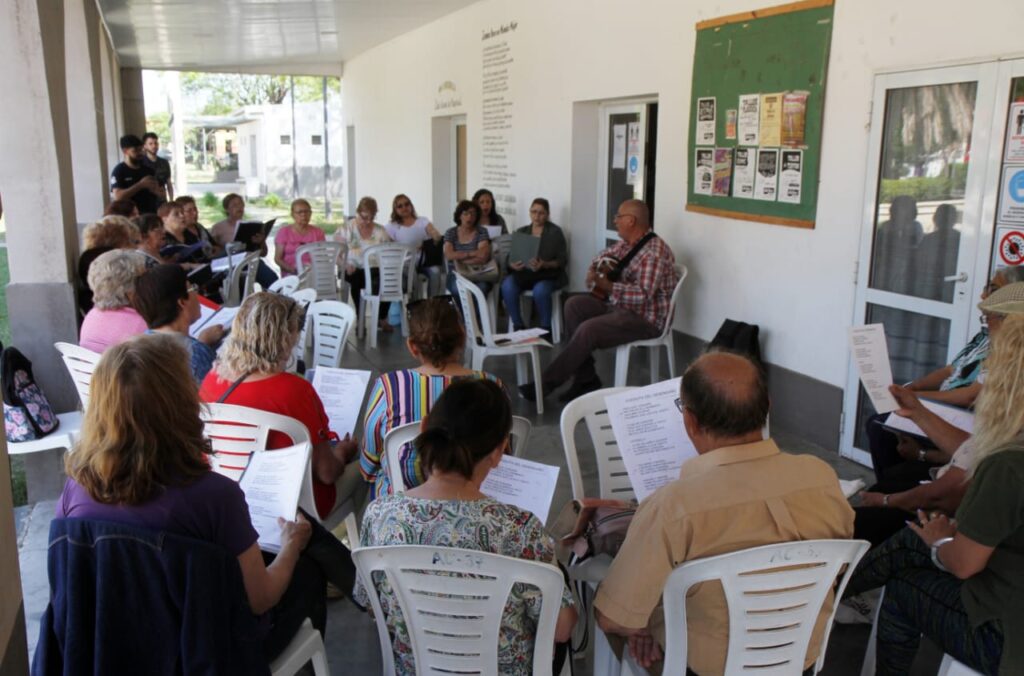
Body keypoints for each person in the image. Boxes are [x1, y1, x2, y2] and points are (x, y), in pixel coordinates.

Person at [57, 335, 356, 662]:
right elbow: (261, 598)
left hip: (111, 649)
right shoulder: (213, 496)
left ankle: (364, 589)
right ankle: (365, 595)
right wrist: (291, 545)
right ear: (182, 403)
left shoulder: (75, 490)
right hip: (206, 653)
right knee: (307, 568)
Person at [594, 351, 854, 674]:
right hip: (800, 659)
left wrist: (649, 625)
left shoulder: (673, 507)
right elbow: (836, 566)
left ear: (689, 421)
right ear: (767, 407)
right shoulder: (821, 478)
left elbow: (612, 618)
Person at [354, 379, 577, 675]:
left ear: (424, 429)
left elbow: (371, 604)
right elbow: (561, 629)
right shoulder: (520, 529)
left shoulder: (380, 515)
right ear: (499, 452)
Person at [842, 313, 1024, 675]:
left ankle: (826, 595)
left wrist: (940, 541)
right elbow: (974, 452)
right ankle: (833, 591)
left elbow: (964, 563)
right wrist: (920, 413)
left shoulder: (1009, 466)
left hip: (1007, 634)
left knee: (904, 582)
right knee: (911, 540)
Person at [199, 292, 361, 520]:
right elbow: (327, 473)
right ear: (286, 338)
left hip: (232, 505)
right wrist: (343, 452)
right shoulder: (294, 390)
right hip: (295, 509)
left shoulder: (211, 381)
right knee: (366, 470)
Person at [865, 269, 1024, 491]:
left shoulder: (1009, 346)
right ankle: (897, 488)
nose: (983, 297)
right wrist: (914, 386)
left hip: (963, 413)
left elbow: (971, 395)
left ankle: (897, 492)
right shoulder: (984, 335)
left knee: (880, 424)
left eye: (993, 290)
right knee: (885, 424)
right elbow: (951, 369)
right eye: (987, 288)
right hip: (945, 406)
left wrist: (915, 398)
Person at [522, 199, 678, 403]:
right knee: (573, 305)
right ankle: (586, 379)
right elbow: (604, 255)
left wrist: (610, 287)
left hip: (646, 319)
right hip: (621, 307)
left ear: (631, 220)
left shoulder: (654, 253)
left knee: (588, 329)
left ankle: (545, 384)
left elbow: (643, 295)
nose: (615, 221)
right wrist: (592, 269)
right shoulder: (630, 243)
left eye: (619, 217)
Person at [360, 297, 503, 497]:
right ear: (462, 337)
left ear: (412, 346)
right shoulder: (490, 387)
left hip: (400, 507)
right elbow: (502, 456)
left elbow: (370, 461)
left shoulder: (388, 386)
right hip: (472, 501)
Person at [133, 264, 223, 382]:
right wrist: (202, 350)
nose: (197, 294)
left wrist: (202, 344)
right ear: (182, 302)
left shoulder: (136, 349)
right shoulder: (196, 354)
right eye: (192, 289)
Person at [500, 198, 568, 339]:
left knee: (541, 290)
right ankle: (518, 325)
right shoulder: (522, 231)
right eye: (534, 212)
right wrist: (512, 264)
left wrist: (545, 264)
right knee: (507, 286)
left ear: (547, 214)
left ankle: (545, 328)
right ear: (530, 213)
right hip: (524, 274)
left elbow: (562, 261)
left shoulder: (555, 232)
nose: (537, 216)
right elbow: (510, 257)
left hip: (547, 274)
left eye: (541, 213)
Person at [334, 196, 393, 331]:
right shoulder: (346, 229)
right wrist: (345, 265)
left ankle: (381, 317)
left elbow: (388, 252)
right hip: (351, 268)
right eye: (364, 217)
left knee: (386, 279)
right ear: (357, 212)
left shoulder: (380, 231)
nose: (367, 221)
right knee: (358, 278)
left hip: (374, 268)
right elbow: (336, 257)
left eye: (371, 218)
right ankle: (361, 318)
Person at [79, 249, 148, 353]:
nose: (149, 282)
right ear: (129, 290)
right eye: (144, 278)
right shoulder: (141, 325)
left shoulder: (91, 315)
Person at [211, 193, 278, 289]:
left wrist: (261, 241)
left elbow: (264, 253)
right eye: (234, 205)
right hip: (231, 265)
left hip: (251, 261)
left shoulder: (252, 226)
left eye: (241, 204)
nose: (239, 208)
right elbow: (215, 254)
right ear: (226, 209)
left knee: (272, 279)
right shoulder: (218, 228)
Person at [385, 194, 444, 297]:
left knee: (436, 272)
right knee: (411, 276)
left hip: (425, 261)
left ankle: (433, 305)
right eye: (400, 206)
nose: (404, 208)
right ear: (395, 210)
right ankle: (416, 307)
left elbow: (436, 234)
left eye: (407, 204)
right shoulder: (392, 226)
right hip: (405, 262)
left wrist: (431, 238)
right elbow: (387, 245)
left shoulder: (422, 221)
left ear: (411, 205)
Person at [78, 216, 138, 315]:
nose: (135, 247)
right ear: (118, 242)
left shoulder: (89, 260)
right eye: (132, 242)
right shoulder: (113, 265)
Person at [443, 199, 493, 298]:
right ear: (459, 216)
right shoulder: (450, 232)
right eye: (466, 214)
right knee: (457, 290)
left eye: (473, 214)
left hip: (477, 272)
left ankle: (477, 314)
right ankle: (462, 314)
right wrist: (472, 254)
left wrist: (460, 259)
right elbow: (449, 255)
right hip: (456, 273)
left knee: (481, 289)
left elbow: (483, 256)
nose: (469, 217)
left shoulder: (482, 231)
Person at [109, 134, 162, 215]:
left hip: (150, 213)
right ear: (125, 151)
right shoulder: (119, 171)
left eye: (141, 150)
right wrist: (141, 185)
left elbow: (160, 193)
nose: (140, 153)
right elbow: (118, 197)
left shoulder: (148, 170)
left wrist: (158, 191)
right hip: (130, 215)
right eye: (135, 151)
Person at [274, 198, 326, 277]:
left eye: (306, 212)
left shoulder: (318, 232)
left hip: (313, 273)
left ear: (311, 213)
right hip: (291, 274)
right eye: (299, 212)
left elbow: (322, 256)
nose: (303, 215)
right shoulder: (284, 232)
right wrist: (293, 270)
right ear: (292, 214)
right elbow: (278, 259)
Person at [175, 195, 218, 259]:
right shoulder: (181, 233)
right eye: (189, 211)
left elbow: (215, 245)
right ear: (181, 214)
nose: (195, 213)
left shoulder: (199, 227)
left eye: (195, 209)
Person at [141, 132, 173, 203]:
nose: (154, 146)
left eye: (156, 143)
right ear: (145, 146)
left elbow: (169, 183)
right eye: (150, 144)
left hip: (162, 201)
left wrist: (171, 200)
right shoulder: (141, 163)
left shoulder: (164, 162)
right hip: (147, 202)